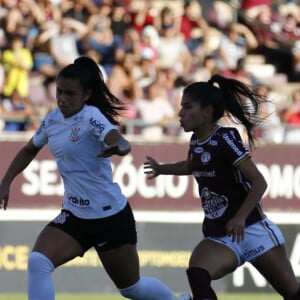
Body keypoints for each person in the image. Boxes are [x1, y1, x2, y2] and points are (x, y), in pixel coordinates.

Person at [0, 56, 189, 300]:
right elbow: (28, 150)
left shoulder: (91, 117)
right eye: (59, 92)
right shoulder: (52, 120)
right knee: (38, 262)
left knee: (132, 289)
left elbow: (119, 140)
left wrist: (119, 147)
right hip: (76, 215)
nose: (62, 99)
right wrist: (6, 181)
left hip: (109, 217)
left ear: (86, 95)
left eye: (70, 94)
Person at [144, 74, 300, 300]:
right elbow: (192, 165)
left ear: (207, 111)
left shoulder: (225, 138)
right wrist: (162, 169)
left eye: (187, 107)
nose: (180, 113)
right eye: (181, 107)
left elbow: (259, 182)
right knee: (198, 271)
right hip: (222, 235)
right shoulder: (196, 141)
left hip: (253, 229)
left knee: (293, 294)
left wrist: (239, 217)